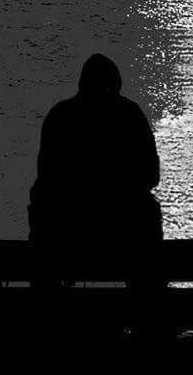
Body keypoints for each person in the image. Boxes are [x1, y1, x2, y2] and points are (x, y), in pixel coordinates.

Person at [28, 53, 162, 252]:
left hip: (64, 229)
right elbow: (151, 175)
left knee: (44, 205)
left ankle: (45, 279)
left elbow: (46, 176)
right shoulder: (131, 115)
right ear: (116, 85)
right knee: (146, 211)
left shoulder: (60, 116)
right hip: (125, 227)